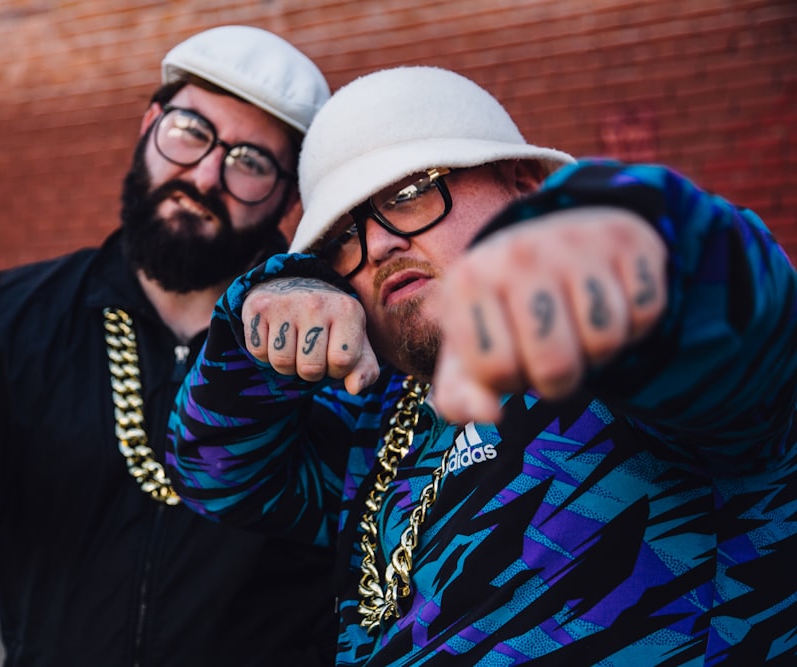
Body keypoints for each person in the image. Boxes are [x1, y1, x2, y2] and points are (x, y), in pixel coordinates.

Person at [170, 65, 797, 665]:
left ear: (524, 185)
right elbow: (216, 474)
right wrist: (260, 312)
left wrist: (627, 244)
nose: (380, 243)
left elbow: (742, 326)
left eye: (410, 193)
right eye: (342, 240)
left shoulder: (630, 360)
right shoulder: (375, 414)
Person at [0, 25, 338, 666]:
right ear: (148, 126)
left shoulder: (337, 348)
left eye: (251, 161)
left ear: (289, 196)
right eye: (191, 131)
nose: (205, 174)